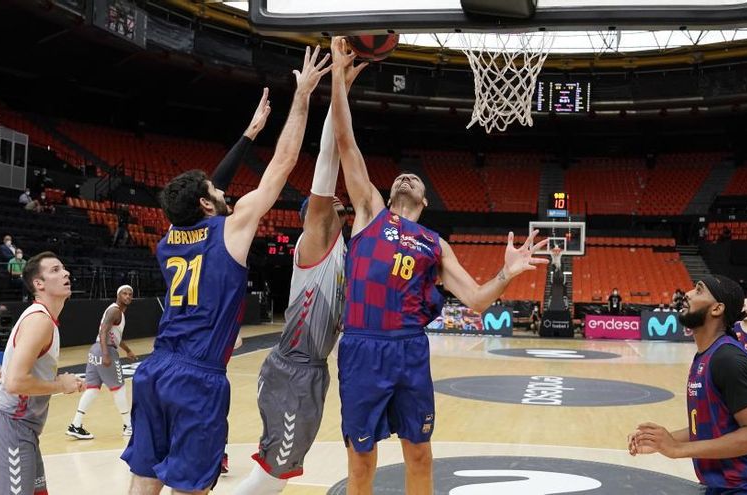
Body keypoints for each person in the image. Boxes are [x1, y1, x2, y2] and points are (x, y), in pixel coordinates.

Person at [329, 36, 548, 495]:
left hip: (409, 349)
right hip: (364, 347)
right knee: (361, 462)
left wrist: (506, 273)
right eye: (401, 176)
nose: (407, 175)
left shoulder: (436, 243)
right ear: (391, 193)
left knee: (420, 454)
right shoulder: (370, 211)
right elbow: (346, 144)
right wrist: (338, 82)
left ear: (424, 201)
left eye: (416, 180)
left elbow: (475, 299)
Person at [121, 46, 330, 495]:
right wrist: (303, 96)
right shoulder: (227, 232)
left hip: (155, 371)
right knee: (191, 486)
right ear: (205, 204)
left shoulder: (166, 243)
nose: (225, 193)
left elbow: (201, 200)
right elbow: (282, 166)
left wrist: (250, 133)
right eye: (218, 191)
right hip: (197, 377)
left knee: (145, 478)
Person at [234, 62, 364, 495]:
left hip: (306, 371)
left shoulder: (340, 250)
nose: (337, 208)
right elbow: (326, 163)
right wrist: (337, 96)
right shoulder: (314, 242)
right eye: (329, 207)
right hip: (293, 371)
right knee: (271, 477)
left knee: (278, 474)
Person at [629, 276, 747, 494]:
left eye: (698, 290)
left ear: (717, 309)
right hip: (726, 485)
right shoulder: (705, 356)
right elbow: (712, 426)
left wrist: (678, 449)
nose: (687, 294)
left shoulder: (728, 358)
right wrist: (662, 440)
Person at [0, 252, 84, 495]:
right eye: (55, 270)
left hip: (23, 430)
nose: (65, 273)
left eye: (64, 268)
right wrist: (60, 384)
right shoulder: (40, 321)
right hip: (11, 427)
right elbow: (15, 382)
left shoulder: (44, 319)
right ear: (38, 284)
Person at [67, 285, 137, 439]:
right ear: (118, 296)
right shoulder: (115, 311)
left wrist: (127, 350)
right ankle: (129, 426)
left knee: (92, 389)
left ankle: (75, 425)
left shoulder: (116, 312)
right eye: (124, 293)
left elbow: (114, 336)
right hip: (105, 350)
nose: (128, 296)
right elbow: (103, 331)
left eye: (130, 294)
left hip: (95, 349)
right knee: (119, 388)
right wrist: (106, 354)